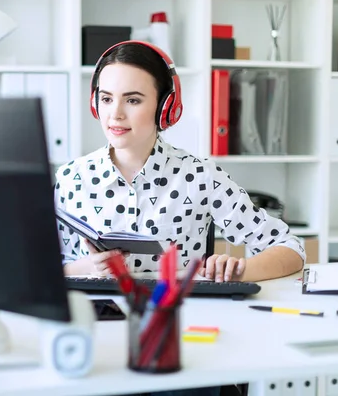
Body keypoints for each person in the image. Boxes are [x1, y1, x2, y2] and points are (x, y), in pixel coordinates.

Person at [54, 40, 305, 284]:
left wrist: (240, 270)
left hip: (180, 316)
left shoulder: (200, 176)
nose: (115, 114)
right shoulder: (71, 178)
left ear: (166, 106)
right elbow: (43, 270)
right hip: (97, 317)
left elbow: (291, 249)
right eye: (107, 99)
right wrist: (90, 267)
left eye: (133, 100)